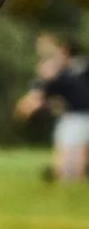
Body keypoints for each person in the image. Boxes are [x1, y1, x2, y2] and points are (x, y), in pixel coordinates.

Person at [16, 32, 89, 183]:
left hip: (77, 116)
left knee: (70, 150)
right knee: (76, 149)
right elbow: (43, 96)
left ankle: (68, 179)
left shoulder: (70, 70)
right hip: (77, 115)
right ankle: (71, 180)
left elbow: (38, 96)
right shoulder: (65, 72)